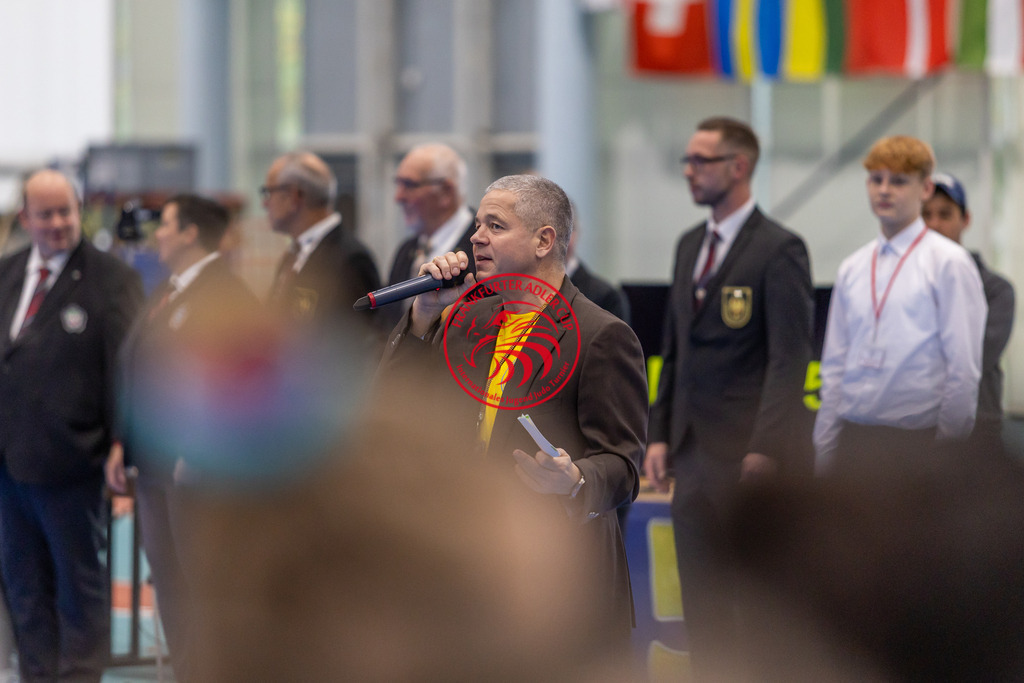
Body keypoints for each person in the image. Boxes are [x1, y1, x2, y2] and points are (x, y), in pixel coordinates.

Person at [380, 174, 648, 641]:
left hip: (555, 581)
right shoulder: (466, 319)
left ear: (544, 240)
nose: (476, 237)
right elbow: (397, 405)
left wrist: (576, 479)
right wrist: (423, 315)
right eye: (478, 225)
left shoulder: (601, 335)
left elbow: (622, 465)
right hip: (466, 568)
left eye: (496, 226)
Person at [643, 116, 815, 673]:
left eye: (701, 160)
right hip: (691, 454)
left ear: (737, 167)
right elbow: (674, 349)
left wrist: (765, 448)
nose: (689, 171)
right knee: (699, 598)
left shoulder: (779, 249)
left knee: (753, 602)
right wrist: (660, 433)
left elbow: (789, 360)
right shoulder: (690, 245)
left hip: (746, 457)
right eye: (687, 160)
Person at [105, 194, 260, 681]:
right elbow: (140, 368)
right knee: (170, 590)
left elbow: (242, 387)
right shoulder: (169, 290)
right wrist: (121, 444)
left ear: (191, 233)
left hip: (198, 476)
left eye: (166, 225)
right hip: (154, 467)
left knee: (203, 593)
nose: (158, 236)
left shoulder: (227, 294)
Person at [0, 169, 144, 682]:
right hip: (9, 466)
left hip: (74, 462)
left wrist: (122, 444)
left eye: (66, 211)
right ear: (26, 218)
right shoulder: (9, 272)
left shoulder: (112, 279)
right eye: (46, 214)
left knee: (79, 593)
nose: (59, 223)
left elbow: (128, 367)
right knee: (23, 589)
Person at [814, 136, 987, 476]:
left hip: (916, 444)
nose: (884, 190)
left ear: (925, 189)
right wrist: (825, 450)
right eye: (876, 179)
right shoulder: (853, 267)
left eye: (898, 181)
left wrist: (945, 454)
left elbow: (963, 371)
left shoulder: (949, 263)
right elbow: (834, 366)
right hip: (853, 437)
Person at [922, 172, 1015, 457]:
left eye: (945, 214)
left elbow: (976, 357)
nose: (934, 224)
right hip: (915, 433)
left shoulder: (996, 290)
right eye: (926, 215)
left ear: (966, 219)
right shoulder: (904, 286)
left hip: (977, 434)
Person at [262, 151, 380, 328]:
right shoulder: (293, 255)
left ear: (294, 197)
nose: (265, 203)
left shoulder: (350, 260)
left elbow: (359, 342)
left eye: (268, 192)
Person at [383, 143, 477, 328]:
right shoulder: (406, 250)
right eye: (398, 184)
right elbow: (385, 326)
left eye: (409, 185)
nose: (398, 197)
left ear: (446, 193)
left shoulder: (484, 249)